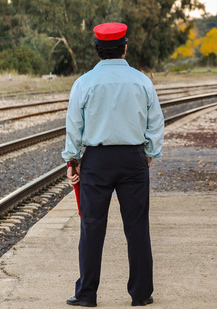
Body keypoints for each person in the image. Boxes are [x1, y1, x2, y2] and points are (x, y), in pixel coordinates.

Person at [61, 22, 164, 307]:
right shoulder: (142, 81)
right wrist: (150, 154)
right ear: (125, 48)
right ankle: (141, 294)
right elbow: (155, 123)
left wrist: (72, 160)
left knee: (92, 228)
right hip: (133, 160)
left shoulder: (83, 83)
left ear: (97, 50)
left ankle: (86, 295)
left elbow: (74, 127)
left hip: (97, 161)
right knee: (137, 228)